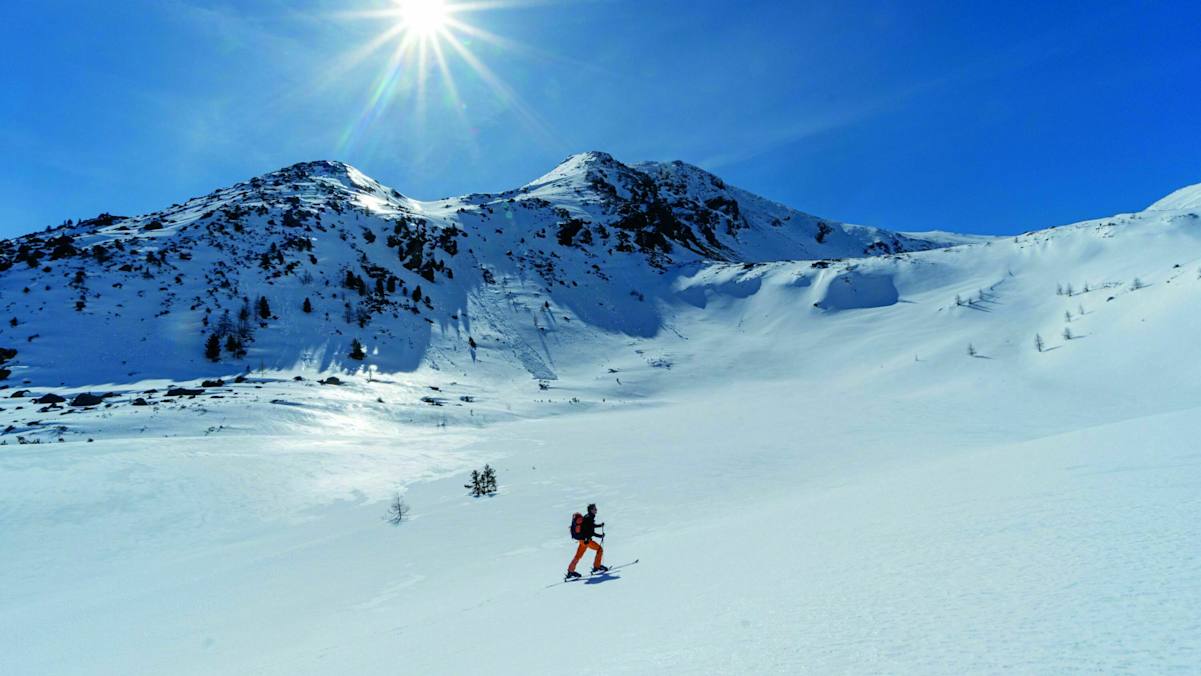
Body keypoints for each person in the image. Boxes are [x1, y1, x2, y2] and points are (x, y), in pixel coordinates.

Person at [566, 503, 608, 579]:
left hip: (582, 540)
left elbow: (590, 526)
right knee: (599, 549)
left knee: (578, 556)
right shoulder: (589, 518)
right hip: (586, 541)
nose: (596, 510)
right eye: (595, 509)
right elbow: (591, 532)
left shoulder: (587, 517)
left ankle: (570, 571)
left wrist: (599, 525)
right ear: (591, 510)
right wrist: (600, 536)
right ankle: (597, 566)